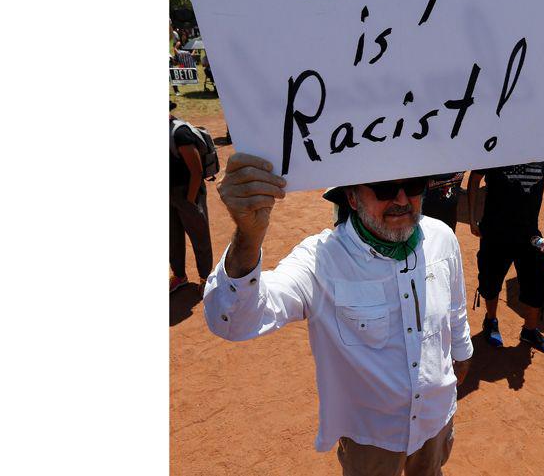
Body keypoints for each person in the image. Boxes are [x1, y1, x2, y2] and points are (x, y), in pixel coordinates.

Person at [203, 154, 473, 476]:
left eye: (412, 185)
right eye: (385, 188)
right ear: (352, 197)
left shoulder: (442, 238)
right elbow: (233, 320)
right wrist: (247, 237)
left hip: (436, 418)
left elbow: (456, 316)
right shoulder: (321, 260)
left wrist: (459, 364)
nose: (402, 199)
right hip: (371, 436)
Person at [468, 160, 544, 355]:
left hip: (530, 235)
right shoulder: (497, 141)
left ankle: (529, 330)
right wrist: (472, 217)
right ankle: (491, 320)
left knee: (536, 285)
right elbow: (474, 179)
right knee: (489, 282)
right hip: (494, 232)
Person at [169, 102, 214, 293]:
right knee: (172, 237)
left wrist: (190, 199)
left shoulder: (180, 134)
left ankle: (206, 278)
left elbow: (197, 171)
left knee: (199, 236)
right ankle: (179, 275)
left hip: (187, 192)